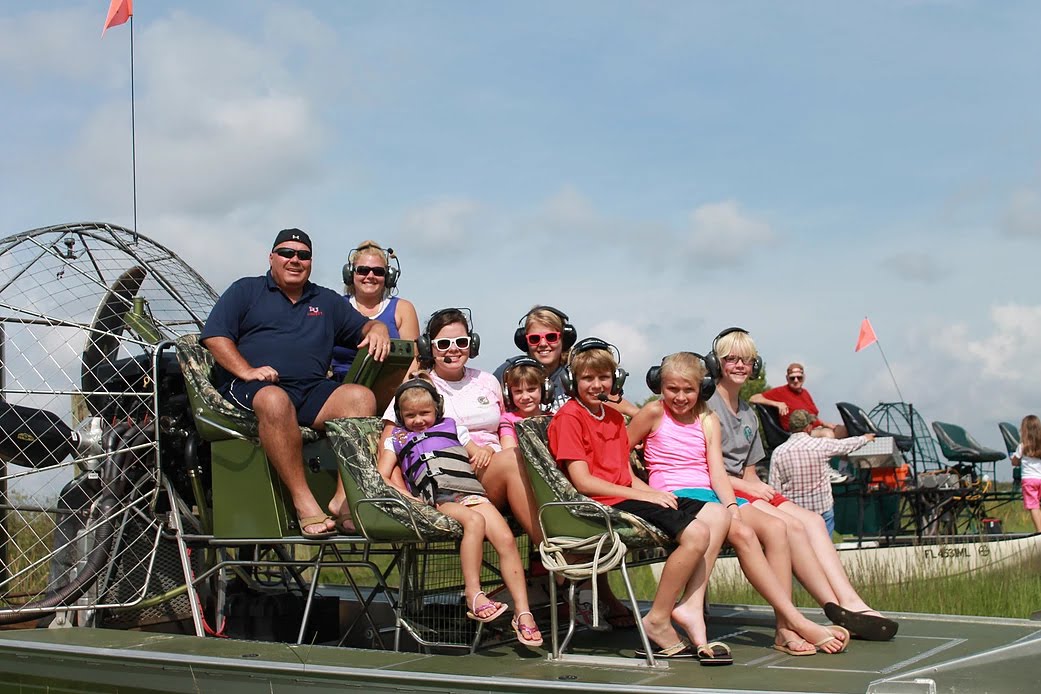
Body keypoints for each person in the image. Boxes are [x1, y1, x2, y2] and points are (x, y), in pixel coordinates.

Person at [629, 353, 851, 655]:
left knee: (774, 527)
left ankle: (783, 627)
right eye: (672, 389)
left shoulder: (707, 419)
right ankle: (796, 621)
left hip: (709, 494)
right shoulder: (653, 413)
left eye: (688, 390)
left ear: (701, 389)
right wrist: (645, 491)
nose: (680, 398)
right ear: (660, 387)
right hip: (675, 494)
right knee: (745, 535)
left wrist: (733, 506)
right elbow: (617, 457)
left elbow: (716, 471)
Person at [707, 328, 898, 642]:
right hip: (720, 490)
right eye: (731, 359)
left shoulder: (749, 415)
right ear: (717, 363)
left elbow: (751, 473)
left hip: (745, 488)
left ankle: (851, 602)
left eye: (747, 360)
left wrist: (763, 491)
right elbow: (701, 469)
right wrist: (751, 489)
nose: (740, 366)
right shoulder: (707, 407)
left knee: (811, 520)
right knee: (790, 527)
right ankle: (830, 606)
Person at [549, 339, 733, 664]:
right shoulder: (569, 418)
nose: (596, 385)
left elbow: (624, 472)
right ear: (572, 382)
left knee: (715, 513)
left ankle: (684, 607)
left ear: (614, 380)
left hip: (625, 495)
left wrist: (650, 492)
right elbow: (583, 481)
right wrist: (641, 494)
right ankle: (658, 619)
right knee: (696, 534)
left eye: (603, 377)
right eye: (588, 379)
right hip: (600, 504)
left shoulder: (614, 418)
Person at [202, 228, 391, 537]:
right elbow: (215, 335)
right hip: (255, 389)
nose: (295, 260)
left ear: (311, 262)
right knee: (274, 400)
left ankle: (344, 501)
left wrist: (377, 328)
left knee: (360, 398)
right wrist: (246, 370)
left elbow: (364, 326)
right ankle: (304, 502)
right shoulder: (245, 291)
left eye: (303, 255)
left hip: (311, 389)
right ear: (272, 257)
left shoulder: (325, 300)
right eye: (287, 253)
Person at [377, 375, 542, 646]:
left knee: (506, 540)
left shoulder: (453, 427)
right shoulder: (395, 439)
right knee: (474, 522)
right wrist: (407, 497)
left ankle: (523, 612)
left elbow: (476, 452)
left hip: (472, 492)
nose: (419, 420)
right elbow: (382, 475)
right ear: (400, 416)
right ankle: (473, 594)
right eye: (410, 415)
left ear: (437, 410)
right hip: (440, 498)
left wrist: (486, 451)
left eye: (425, 413)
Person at [381, 308, 543, 548]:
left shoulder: (487, 381)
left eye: (461, 341)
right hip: (452, 482)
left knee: (523, 458)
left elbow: (505, 426)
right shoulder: (419, 388)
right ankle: (550, 552)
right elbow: (392, 440)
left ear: (472, 344)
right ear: (429, 347)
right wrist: (406, 495)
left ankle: (573, 547)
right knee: (512, 460)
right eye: (444, 343)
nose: (453, 349)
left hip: (495, 469)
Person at [495, 306, 638, 416]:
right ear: (524, 342)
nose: (543, 344)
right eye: (534, 339)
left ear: (564, 338)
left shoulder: (577, 370)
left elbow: (609, 400)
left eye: (551, 337)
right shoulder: (508, 371)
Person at [769, 409, 875, 536]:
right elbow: (845, 445)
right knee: (824, 548)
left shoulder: (778, 453)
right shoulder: (820, 445)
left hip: (794, 513)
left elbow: (774, 488)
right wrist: (865, 438)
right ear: (808, 427)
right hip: (821, 509)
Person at [330, 241, 419, 380]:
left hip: (389, 389)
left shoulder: (403, 309)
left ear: (388, 277)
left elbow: (413, 362)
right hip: (340, 387)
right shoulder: (337, 306)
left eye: (378, 271)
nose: (370, 276)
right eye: (363, 270)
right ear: (350, 273)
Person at [750, 363, 847, 437]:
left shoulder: (805, 392)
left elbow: (812, 416)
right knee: (827, 434)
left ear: (803, 378)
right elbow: (754, 398)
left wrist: (824, 423)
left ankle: (847, 463)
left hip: (815, 428)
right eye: (792, 378)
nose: (796, 381)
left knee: (845, 430)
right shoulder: (780, 392)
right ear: (787, 378)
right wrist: (777, 404)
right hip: (798, 433)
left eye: (799, 378)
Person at [1011, 414, 1041, 533]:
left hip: (1029, 480)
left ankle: (1039, 532)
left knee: (1034, 506)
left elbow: (1014, 462)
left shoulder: (1022, 446)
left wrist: (1014, 459)